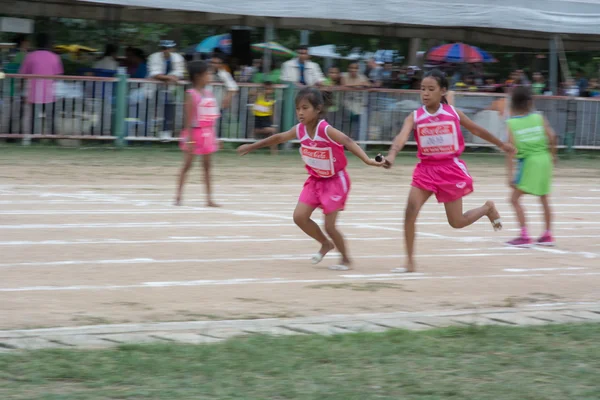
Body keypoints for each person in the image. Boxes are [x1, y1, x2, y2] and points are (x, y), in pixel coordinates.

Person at [237, 87, 384, 270]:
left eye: (305, 108)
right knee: (299, 217)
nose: (300, 112)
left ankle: (346, 259)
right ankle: (325, 244)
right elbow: (278, 138)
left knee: (330, 226)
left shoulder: (325, 129)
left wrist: (367, 160)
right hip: (315, 181)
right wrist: (252, 146)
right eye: (298, 108)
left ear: (318, 109)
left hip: (335, 181)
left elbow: (347, 140)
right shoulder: (299, 130)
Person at [383, 69, 514, 273]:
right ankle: (409, 262)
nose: (425, 93)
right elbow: (401, 137)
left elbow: (477, 130)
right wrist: (391, 155)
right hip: (425, 170)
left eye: (431, 89)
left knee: (457, 222)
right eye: (422, 89)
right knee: (410, 212)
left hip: (450, 170)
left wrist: (501, 144)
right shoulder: (415, 116)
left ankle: (487, 209)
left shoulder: (453, 113)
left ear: (443, 91)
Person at [505, 86, 557, 247]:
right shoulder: (539, 118)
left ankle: (524, 235)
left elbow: (511, 150)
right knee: (544, 198)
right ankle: (547, 234)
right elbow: (553, 137)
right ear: (530, 102)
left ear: (512, 103)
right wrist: (553, 156)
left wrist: (510, 174)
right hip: (545, 159)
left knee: (514, 199)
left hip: (529, 162)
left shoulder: (512, 123)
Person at [175, 60, 221, 208]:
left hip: (208, 133)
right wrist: (188, 139)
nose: (209, 76)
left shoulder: (208, 93)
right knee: (187, 165)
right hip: (194, 133)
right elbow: (188, 119)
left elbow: (211, 118)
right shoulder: (191, 94)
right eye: (207, 73)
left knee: (207, 167)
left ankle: (209, 199)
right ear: (198, 76)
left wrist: (215, 137)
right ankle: (178, 196)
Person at [19, 33, 64, 134]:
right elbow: (59, 76)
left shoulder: (30, 56)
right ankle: (52, 136)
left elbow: (23, 75)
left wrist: (22, 91)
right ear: (49, 44)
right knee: (51, 117)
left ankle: (35, 137)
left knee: (34, 118)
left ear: (37, 43)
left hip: (34, 93)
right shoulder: (55, 57)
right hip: (50, 93)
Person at [252, 81, 277, 154]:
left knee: (271, 134)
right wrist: (259, 88)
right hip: (258, 118)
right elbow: (251, 93)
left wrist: (272, 121)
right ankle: (256, 131)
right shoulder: (259, 96)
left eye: (269, 89)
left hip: (266, 118)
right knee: (271, 132)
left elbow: (273, 111)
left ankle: (274, 152)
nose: (268, 91)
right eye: (266, 89)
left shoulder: (272, 100)